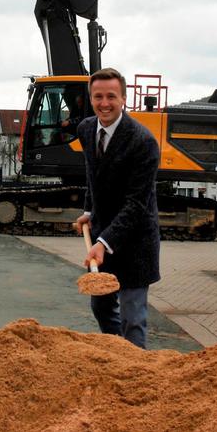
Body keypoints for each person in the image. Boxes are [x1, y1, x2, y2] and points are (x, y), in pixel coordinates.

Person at [72, 68, 161, 348]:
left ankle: (139, 373)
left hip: (135, 240)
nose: (104, 103)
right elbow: (93, 175)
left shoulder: (143, 142)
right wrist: (89, 209)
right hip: (102, 233)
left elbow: (137, 203)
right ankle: (117, 357)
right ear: (91, 98)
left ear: (123, 98)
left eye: (111, 96)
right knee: (101, 308)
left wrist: (104, 242)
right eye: (98, 96)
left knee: (132, 318)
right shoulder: (86, 129)